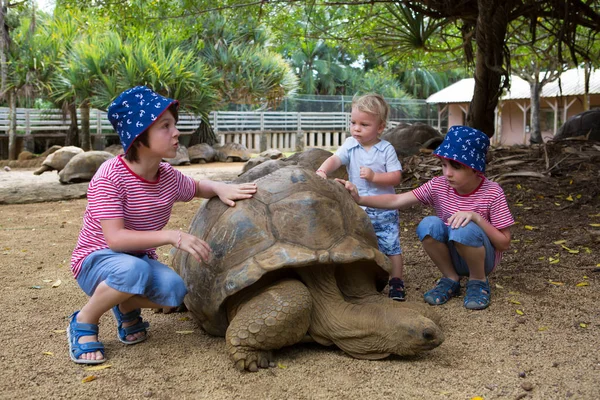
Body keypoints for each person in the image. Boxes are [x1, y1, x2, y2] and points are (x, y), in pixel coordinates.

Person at [67, 86, 257, 364]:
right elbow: (115, 240)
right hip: (96, 262)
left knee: (174, 292)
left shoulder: (166, 176)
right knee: (134, 269)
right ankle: (84, 320)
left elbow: (197, 187)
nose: (176, 132)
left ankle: (125, 305)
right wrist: (172, 236)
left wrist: (220, 188)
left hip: (136, 263)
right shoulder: (110, 177)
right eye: (165, 126)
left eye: (174, 124)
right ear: (139, 135)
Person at [336, 126, 514, 310]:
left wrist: (476, 218)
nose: (447, 173)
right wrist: (360, 199)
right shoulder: (439, 185)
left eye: (456, 167)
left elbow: (504, 243)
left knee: (464, 227)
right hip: (453, 254)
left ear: (476, 169)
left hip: (482, 260)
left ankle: (478, 281)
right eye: (444, 165)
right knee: (428, 225)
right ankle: (450, 278)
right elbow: (398, 199)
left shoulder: (492, 192)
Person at [315, 94, 406, 301]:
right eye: (353, 122)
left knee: (390, 245)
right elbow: (335, 158)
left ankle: (397, 281)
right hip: (357, 208)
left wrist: (375, 177)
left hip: (383, 210)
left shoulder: (385, 150)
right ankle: (362, 280)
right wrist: (322, 171)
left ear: (380, 127)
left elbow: (396, 177)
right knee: (360, 243)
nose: (356, 128)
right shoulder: (350, 144)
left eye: (364, 124)